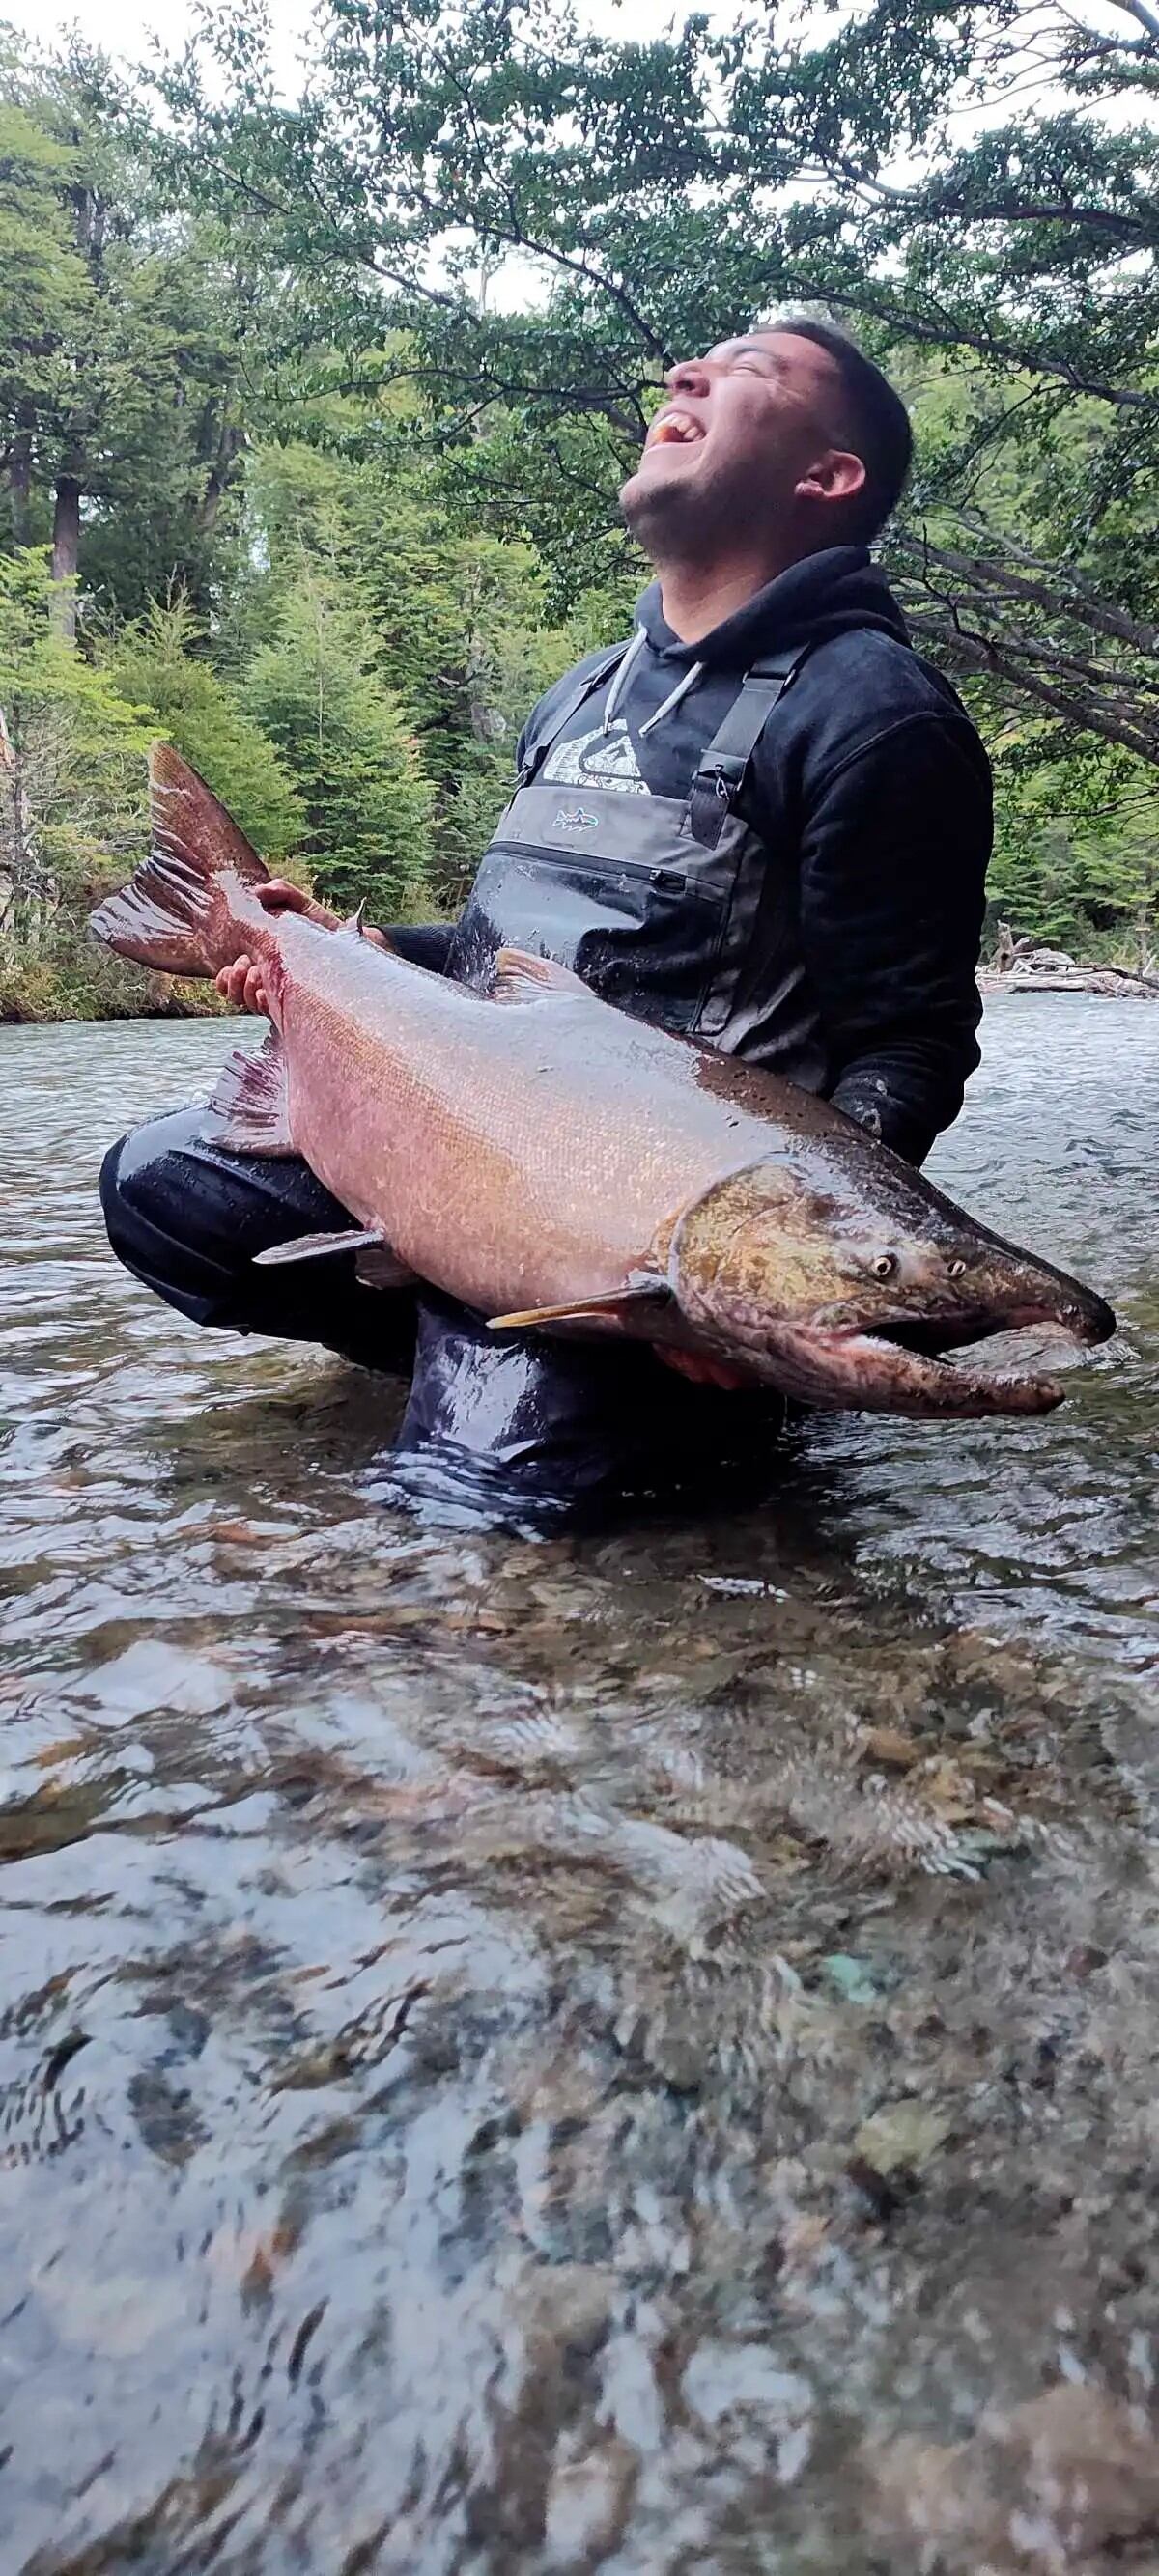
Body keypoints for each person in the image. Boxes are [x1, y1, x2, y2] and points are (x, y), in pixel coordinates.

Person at [100, 317, 992, 1526]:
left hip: (654, 1237)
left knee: (472, 1519)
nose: (686, 374)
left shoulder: (881, 718)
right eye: (697, 361)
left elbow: (911, 1042)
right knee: (159, 1184)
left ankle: (660, 1387)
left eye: (749, 373)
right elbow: (497, 958)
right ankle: (482, 1338)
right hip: (470, 1168)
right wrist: (323, 950)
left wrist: (767, 1287)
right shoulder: (581, 690)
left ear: (826, 477)